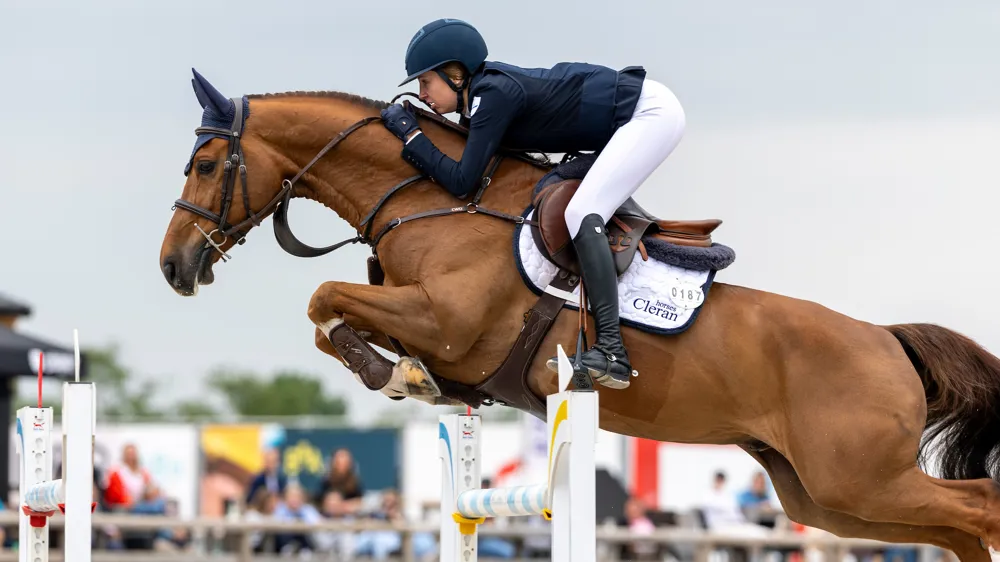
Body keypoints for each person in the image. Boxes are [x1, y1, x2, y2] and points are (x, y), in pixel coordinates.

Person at [381, 18, 687, 389]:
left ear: (456, 74)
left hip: (648, 116)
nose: (422, 91)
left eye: (425, 81)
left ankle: (611, 351)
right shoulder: (481, 98)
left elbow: (463, 181)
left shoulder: (491, 94)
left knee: (580, 212)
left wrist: (412, 136)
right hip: (626, 121)